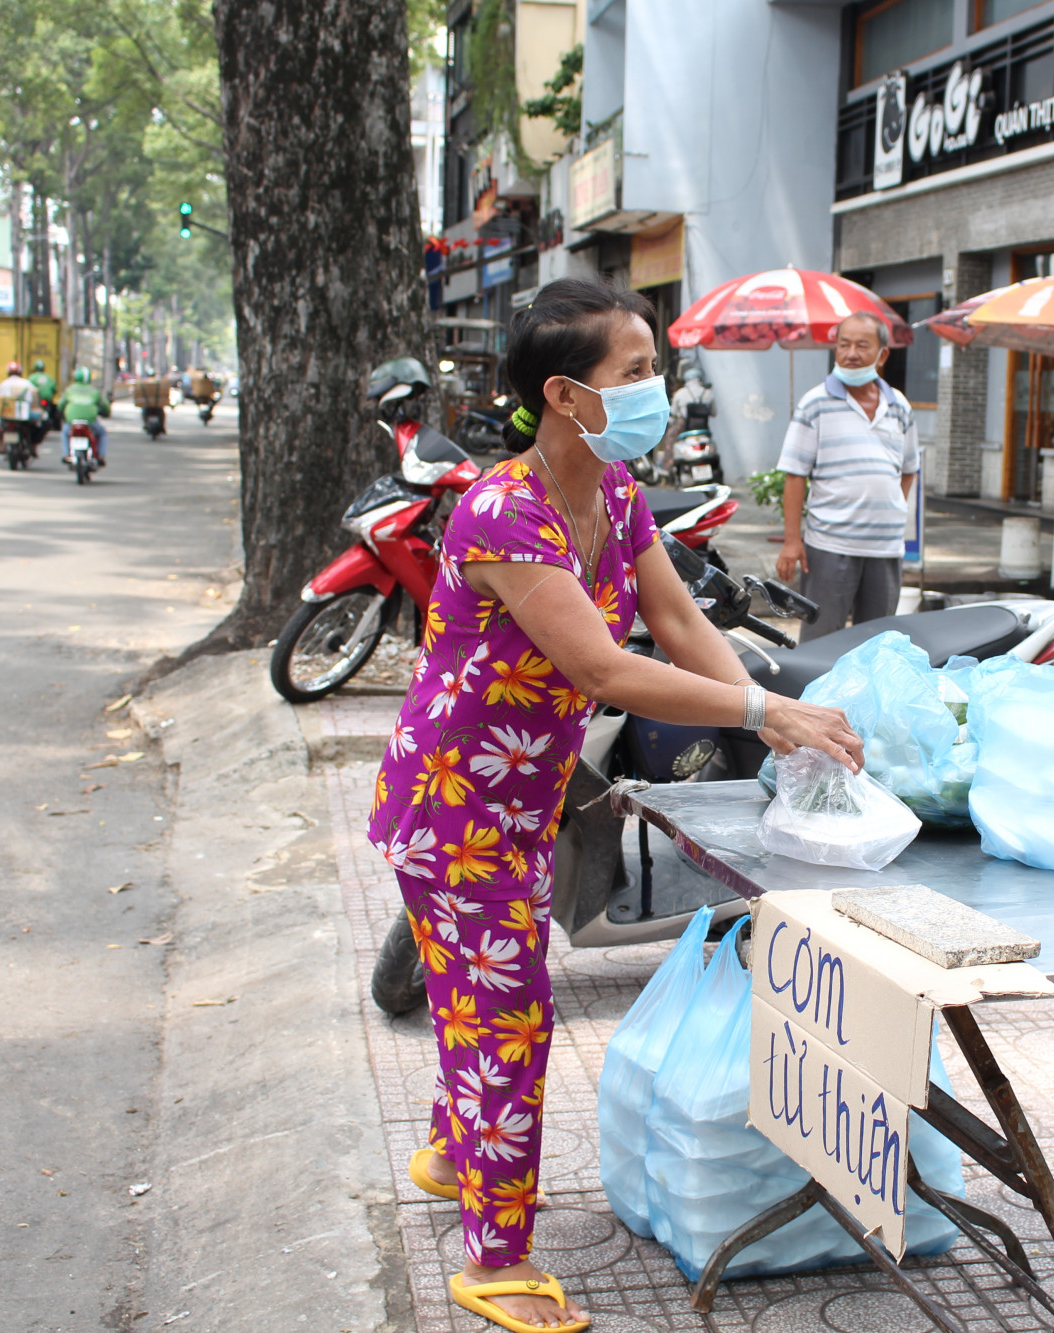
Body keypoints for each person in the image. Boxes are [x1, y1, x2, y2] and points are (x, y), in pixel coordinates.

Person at [365, 277, 861, 1333]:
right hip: (452, 812)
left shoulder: (621, 493)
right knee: (509, 1018)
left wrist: (759, 715)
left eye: (654, 369)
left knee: (482, 992)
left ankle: (459, 1155)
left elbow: (678, 623)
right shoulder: (504, 509)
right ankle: (494, 1257)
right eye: (634, 373)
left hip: (524, 801)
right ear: (561, 395)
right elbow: (602, 669)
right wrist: (763, 709)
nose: (658, 391)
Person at [774, 311, 919, 640]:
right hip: (830, 545)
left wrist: (888, 510)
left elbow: (908, 470)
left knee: (878, 644)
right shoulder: (816, 403)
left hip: (885, 549)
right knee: (821, 640)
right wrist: (792, 541)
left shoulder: (899, 406)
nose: (852, 353)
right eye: (844, 345)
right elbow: (795, 475)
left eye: (862, 346)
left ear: (882, 354)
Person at [58, 366, 112, 465]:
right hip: (90, 422)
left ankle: (66, 454)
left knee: (65, 432)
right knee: (102, 433)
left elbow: (60, 405)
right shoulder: (95, 391)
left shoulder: (69, 390)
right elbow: (105, 407)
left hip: (72, 422)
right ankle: (100, 456)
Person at [0, 361, 39, 455]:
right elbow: (34, 398)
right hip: (23, 416)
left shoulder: (3, 384)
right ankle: (33, 447)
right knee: (37, 426)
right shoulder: (27, 383)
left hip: (7, 415)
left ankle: (0, 445)